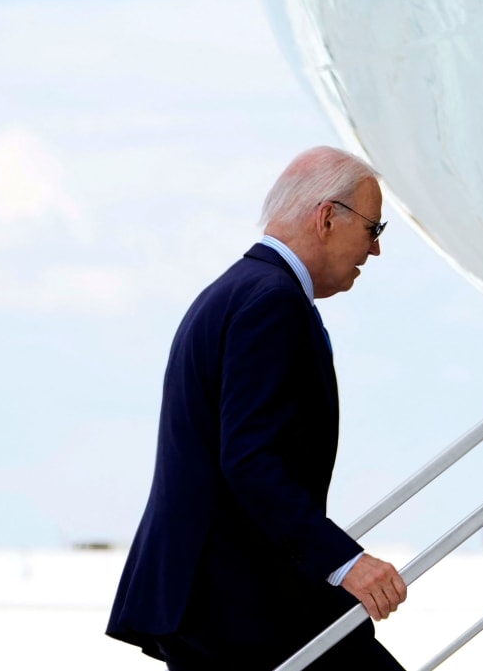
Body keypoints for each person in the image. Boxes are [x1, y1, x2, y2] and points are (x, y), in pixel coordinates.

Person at [107, 146, 409, 670]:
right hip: (235, 599)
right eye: (373, 229)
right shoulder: (272, 301)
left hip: (224, 592)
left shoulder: (238, 290)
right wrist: (346, 563)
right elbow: (250, 459)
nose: (375, 251)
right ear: (327, 218)